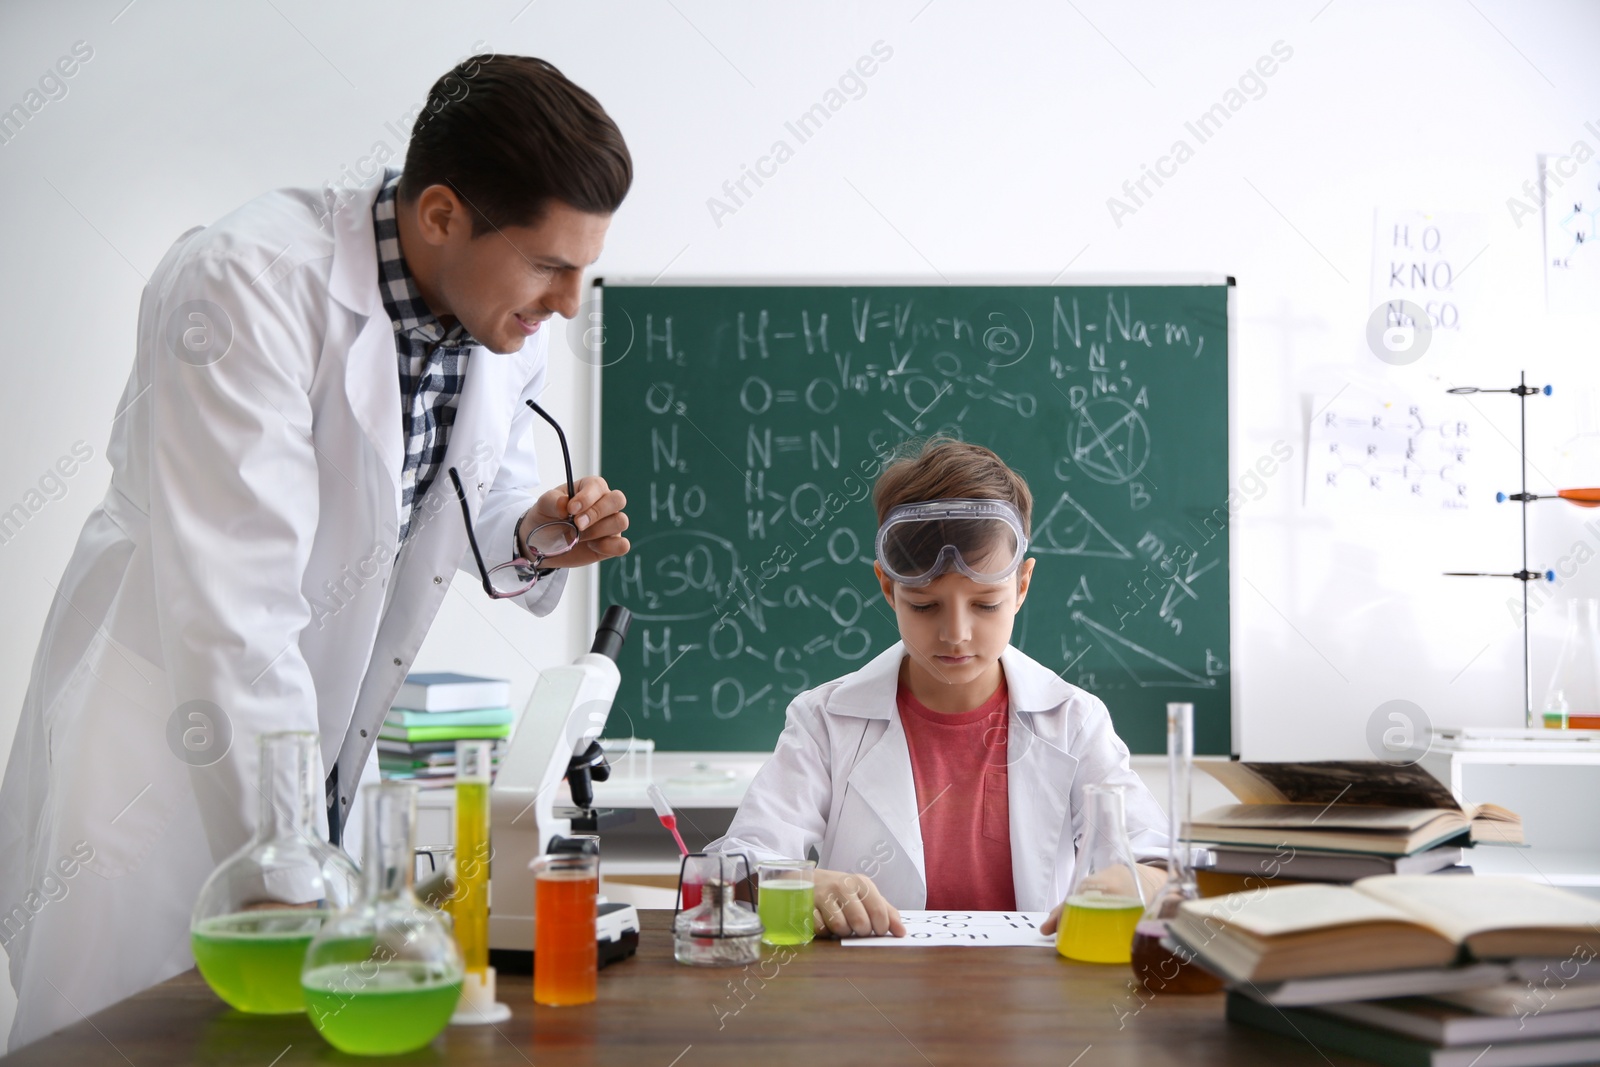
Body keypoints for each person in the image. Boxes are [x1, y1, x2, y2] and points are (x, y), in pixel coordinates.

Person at [0, 55, 632, 1049]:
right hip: (165, 735)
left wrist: (534, 527)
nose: (567, 300)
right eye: (551, 265)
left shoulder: (498, 320)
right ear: (438, 215)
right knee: (116, 1036)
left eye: (583, 268)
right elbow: (235, 611)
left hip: (321, 741)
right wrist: (300, 877)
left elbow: (472, 490)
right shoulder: (243, 284)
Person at [709, 437, 1168, 938]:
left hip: (1035, 998)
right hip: (869, 997)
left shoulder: (1074, 721)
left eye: (986, 604)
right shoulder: (825, 720)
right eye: (925, 606)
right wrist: (796, 883)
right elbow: (733, 869)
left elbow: (1153, 860)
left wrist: (1138, 880)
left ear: (1022, 586)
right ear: (888, 588)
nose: (956, 634)